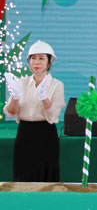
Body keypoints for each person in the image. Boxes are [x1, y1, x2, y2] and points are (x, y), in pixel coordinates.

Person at [3, 40, 65, 182]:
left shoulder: (56, 85)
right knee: (22, 174)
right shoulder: (21, 83)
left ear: (49, 62)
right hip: (24, 132)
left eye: (41, 58)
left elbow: (53, 115)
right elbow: (11, 112)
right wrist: (16, 96)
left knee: (46, 176)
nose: (36, 62)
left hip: (46, 133)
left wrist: (44, 97)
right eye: (33, 58)